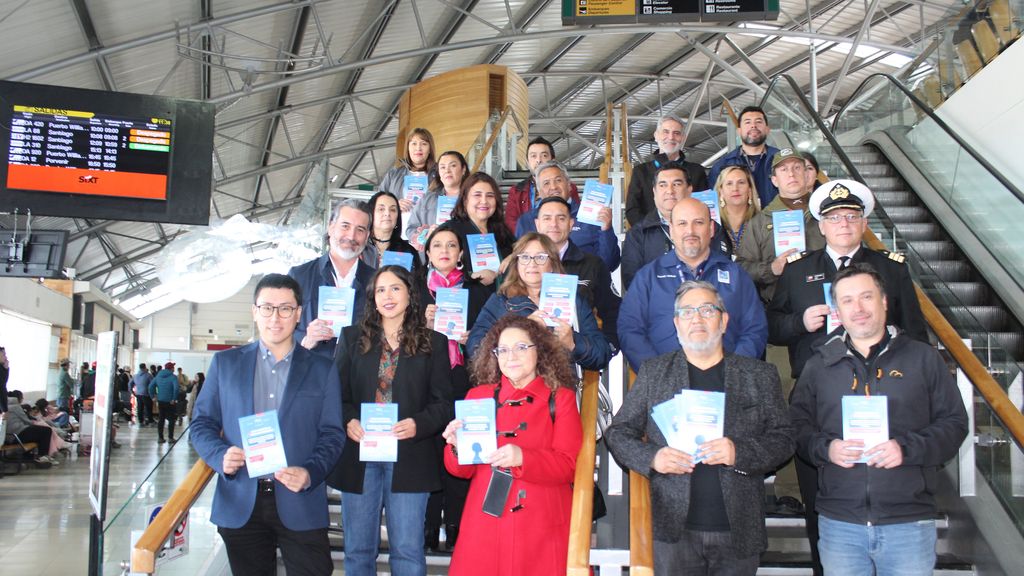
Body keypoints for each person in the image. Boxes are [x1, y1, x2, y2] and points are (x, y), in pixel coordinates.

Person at [767, 179, 929, 574]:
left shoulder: (890, 269)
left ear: (864, 223)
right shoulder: (799, 269)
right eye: (835, 218)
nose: (843, 224)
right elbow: (771, 326)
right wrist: (799, 322)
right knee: (819, 501)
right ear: (821, 226)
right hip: (819, 399)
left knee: (887, 489)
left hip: (884, 397)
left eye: (852, 217)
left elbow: (915, 332)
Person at [789, 264, 968, 576]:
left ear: (884, 301)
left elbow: (954, 423)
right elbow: (796, 426)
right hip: (840, 523)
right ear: (837, 311)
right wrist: (826, 449)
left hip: (908, 522)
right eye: (847, 301)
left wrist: (906, 449)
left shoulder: (923, 358)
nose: (858, 308)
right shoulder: (818, 365)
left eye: (866, 297)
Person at [606, 281, 793, 575]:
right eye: (687, 311)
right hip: (672, 530)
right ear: (676, 323)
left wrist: (739, 452)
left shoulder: (759, 375)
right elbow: (618, 433)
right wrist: (653, 458)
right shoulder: (654, 372)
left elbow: (784, 439)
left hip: (739, 528)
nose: (697, 318)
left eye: (707, 310)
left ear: (724, 320)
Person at [191, 273, 344, 576]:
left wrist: (310, 471)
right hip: (241, 500)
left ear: (298, 314)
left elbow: (332, 434)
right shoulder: (226, 364)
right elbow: (202, 423)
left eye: (285, 308)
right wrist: (220, 455)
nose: (275, 317)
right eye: (267, 308)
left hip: (300, 500)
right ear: (254, 311)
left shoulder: (323, 369)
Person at [327, 265, 453, 576]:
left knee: (407, 551)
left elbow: (444, 404)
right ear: (373, 297)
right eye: (381, 290)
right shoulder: (352, 338)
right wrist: (349, 420)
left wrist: (418, 424)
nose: (388, 296)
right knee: (358, 550)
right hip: (361, 455)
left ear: (410, 294)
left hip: (410, 456)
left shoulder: (434, 342)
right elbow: (335, 395)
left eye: (396, 288)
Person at [442, 314, 582, 575]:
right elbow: (461, 471)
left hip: (543, 524)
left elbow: (569, 465)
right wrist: (456, 447)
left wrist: (524, 458)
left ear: (539, 351)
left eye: (521, 347)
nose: (511, 357)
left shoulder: (560, 399)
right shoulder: (477, 397)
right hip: (485, 523)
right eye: (503, 350)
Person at [618, 198, 767, 373]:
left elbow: (755, 329)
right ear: (671, 230)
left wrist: (733, 373)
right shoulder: (648, 277)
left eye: (698, 223)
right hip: (664, 381)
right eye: (682, 223)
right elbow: (630, 330)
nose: (690, 231)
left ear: (711, 229)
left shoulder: (736, 276)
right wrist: (658, 375)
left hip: (728, 381)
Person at [417, 224, 491, 552]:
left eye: (451, 245)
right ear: (428, 253)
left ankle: (457, 525)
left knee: (461, 449)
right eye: (437, 245)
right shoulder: (415, 290)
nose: (444, 251)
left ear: (461, 253)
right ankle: (429, 526)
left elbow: (493, 335)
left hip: (467, 376)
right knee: (430, 452)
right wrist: (425, 325)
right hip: (426, 379)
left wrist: (473, 338)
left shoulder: (478, 291)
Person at [467, 233, 613, 371]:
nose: (532, 263)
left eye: (541, 257)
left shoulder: (574, 301)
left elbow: (602, 355)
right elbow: (475, 348)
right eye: (525, 257)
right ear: (516, 264)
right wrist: (521, 330)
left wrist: (573, 343)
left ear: (553, 263)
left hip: (561, 384)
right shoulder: (501, 301)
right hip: (515, 385)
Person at [288, 197, 376, 357]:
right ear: (331, 227)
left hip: (358, 370)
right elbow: (282, 328)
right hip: (312, 368)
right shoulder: (299, 276)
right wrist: (306, 340)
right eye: (345, 226)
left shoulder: (376, 281)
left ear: (367, 235)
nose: (351, 236)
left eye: (360, 230)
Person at [622, 163, 732, 290]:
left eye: (677, 184)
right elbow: (633, 284)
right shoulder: (638, 234)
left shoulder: (710, 227)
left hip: (704, 300)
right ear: (654, 192)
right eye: (663, 185)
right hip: (657, 302)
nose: (670, 191)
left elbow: (723, 273)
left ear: (689, 190)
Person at [736, 148, 826, 303]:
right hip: (780, 307)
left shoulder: (826, 214)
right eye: (783, 170)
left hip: (824, 303)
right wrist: (771, 269)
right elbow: (741, 267)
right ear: (774, 180)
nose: (791, 174)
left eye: (797, 167)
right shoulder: (760, 222)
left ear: (807, 174)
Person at [534, 196, 621, 351]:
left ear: (571, 224)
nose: (554, 224)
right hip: (531, 354)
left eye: (561, 218)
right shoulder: (521, 265)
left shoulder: (593, 265)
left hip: (579, 355)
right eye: (547, 218)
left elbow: (613, 311)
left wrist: (608, 347)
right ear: (537, 224)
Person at [514, 160, 620, 272]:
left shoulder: (591, 215)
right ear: (539, 192)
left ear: (569, 185)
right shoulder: (526, 221)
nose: (553, 187)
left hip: (584, 279)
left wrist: (606, 230)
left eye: (558, 180)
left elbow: (609, 264)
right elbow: (518, 264)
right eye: (546, 183)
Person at [625, 115, 709, 226]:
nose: (671, 137)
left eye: (676, 133)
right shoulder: (641, 171)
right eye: (665, 132)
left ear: (683, 138)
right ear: (656, 136)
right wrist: (652, 231)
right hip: (650, 233)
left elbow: (704, 207)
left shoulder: (697, 171)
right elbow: (632, 210)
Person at [446, 172, 516, 291]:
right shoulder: (450, 230)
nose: (484, 201)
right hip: (468, 299)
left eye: (490, 196)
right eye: (477, 195)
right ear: (465, 200)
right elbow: (438, 273)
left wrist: (514, 256)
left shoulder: (501, 230)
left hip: (502, 299)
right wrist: (470, 277)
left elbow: (520, 251)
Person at [708, 106, 781, 208]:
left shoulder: (781, 160)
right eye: (748, 122)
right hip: (737, 218)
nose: (753, 126)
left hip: (776, 217)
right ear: (739, 131)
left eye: (758, 122)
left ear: (767, 129)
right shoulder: (722, 165)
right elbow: (714, 203)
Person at [504, 136, 581, 232]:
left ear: (553, 159)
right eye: (533, 156)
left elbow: (576, 218)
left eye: (544, 155)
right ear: (527, 162)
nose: (539, 160)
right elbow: (511, 223)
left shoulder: (567, 188)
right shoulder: (516, 191)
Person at [406, 150, 469, 247]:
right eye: (442, 167)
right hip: (434, 254)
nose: (447, 171)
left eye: (453, 166)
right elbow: (411, 228)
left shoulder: (473, 199)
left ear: (463, 169)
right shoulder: (427, 199)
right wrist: (425, 236)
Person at [377, 127, 437, 213]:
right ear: (408, 148)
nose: (418, 148)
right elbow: (377, 201)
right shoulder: (394, 174)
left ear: (430, 149)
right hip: (398, 221)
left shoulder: (440, 175)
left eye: (424, 144)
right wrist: (394, 205)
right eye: (414, 143)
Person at [362, 191, 421, 270]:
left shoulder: (408, 252)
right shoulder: (359, 248)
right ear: (371, 213)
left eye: (392, 210)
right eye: (381, 209)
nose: (387, 213)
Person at [716, 165, 761, 259]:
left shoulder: (763, 223)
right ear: (721, 192)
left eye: (741, 182)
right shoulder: (713, 224)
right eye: (729, 183)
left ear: (750, 191)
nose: (735, 188)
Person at [6, 390, 61, 466]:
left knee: (39, 432)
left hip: (11, 435)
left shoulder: (6, 406)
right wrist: (35, 422)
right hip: (17, 433)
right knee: (46, 430)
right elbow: (26, 420)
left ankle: (36, 456)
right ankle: (42, 456)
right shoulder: (15, 406)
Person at [149, 362, 179, 444]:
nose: (174, 369)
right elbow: (176, 388)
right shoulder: (173, 377)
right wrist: (174, 398)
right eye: (173, 367)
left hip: (161, 401)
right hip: (170, 402)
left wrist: (153, 397)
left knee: (161, 419)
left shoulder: (158, 376)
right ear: (171, 368)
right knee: (171, 420)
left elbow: (150, 386)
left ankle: (160, 438)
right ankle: (170, 438)